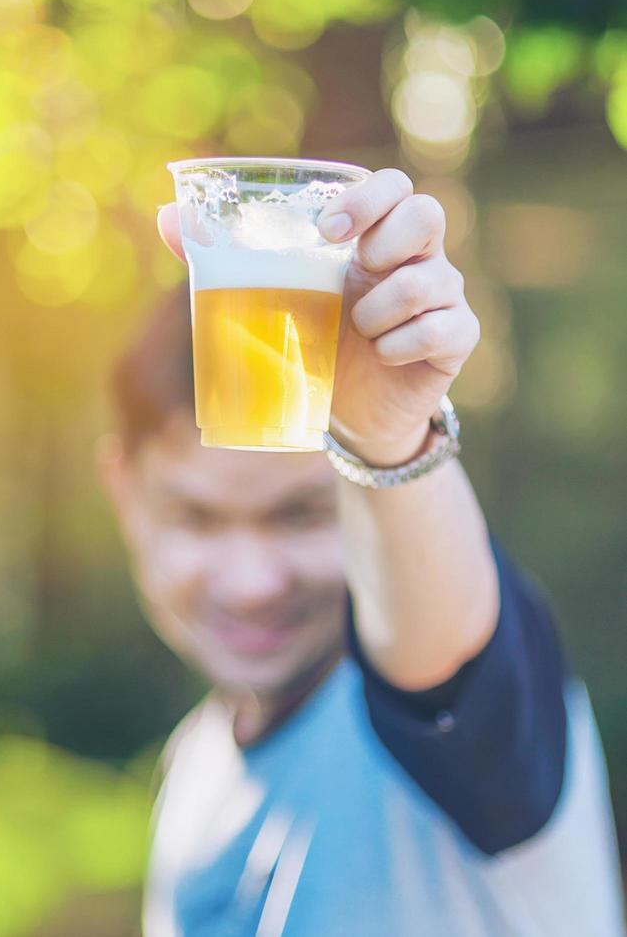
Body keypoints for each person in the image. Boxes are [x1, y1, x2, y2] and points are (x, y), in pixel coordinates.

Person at [98, 169, 625, 936]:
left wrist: (382, 443)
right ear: (122, 490)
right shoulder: (195, 766)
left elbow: (442, 671)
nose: (250, 583)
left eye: (304, 514)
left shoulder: (458, 725)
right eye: (197, 518)